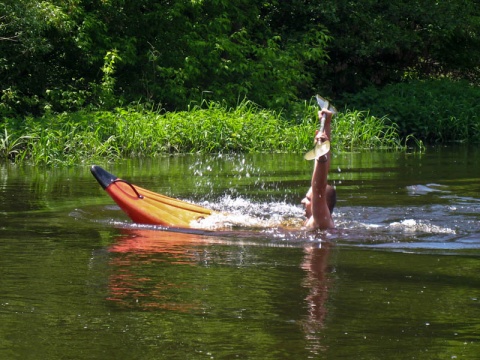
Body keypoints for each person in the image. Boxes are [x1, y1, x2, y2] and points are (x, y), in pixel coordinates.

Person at [301, 109, 336, 230]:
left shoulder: (321, 220)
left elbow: (319, 187)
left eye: (309, 199)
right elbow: (324, 174)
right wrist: (326, 124)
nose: (302, 201)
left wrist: (320, 154)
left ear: (323, 204)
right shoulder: (315, 220)